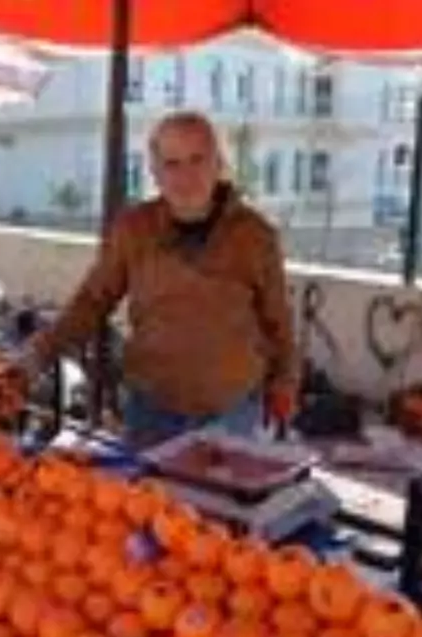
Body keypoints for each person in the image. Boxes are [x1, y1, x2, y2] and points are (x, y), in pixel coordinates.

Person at [19, 111, 298, 448]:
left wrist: (285, 381)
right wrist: (41, 352)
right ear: (155, 173)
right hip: (153, 408)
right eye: (172, 163)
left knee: (219, 502)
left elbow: (278, 320)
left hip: (232, 409)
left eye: (198, 159)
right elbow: (93, 301)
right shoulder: (134, 229)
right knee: (145, 499)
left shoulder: (256, 235)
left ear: (218, 163)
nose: (186, 175)